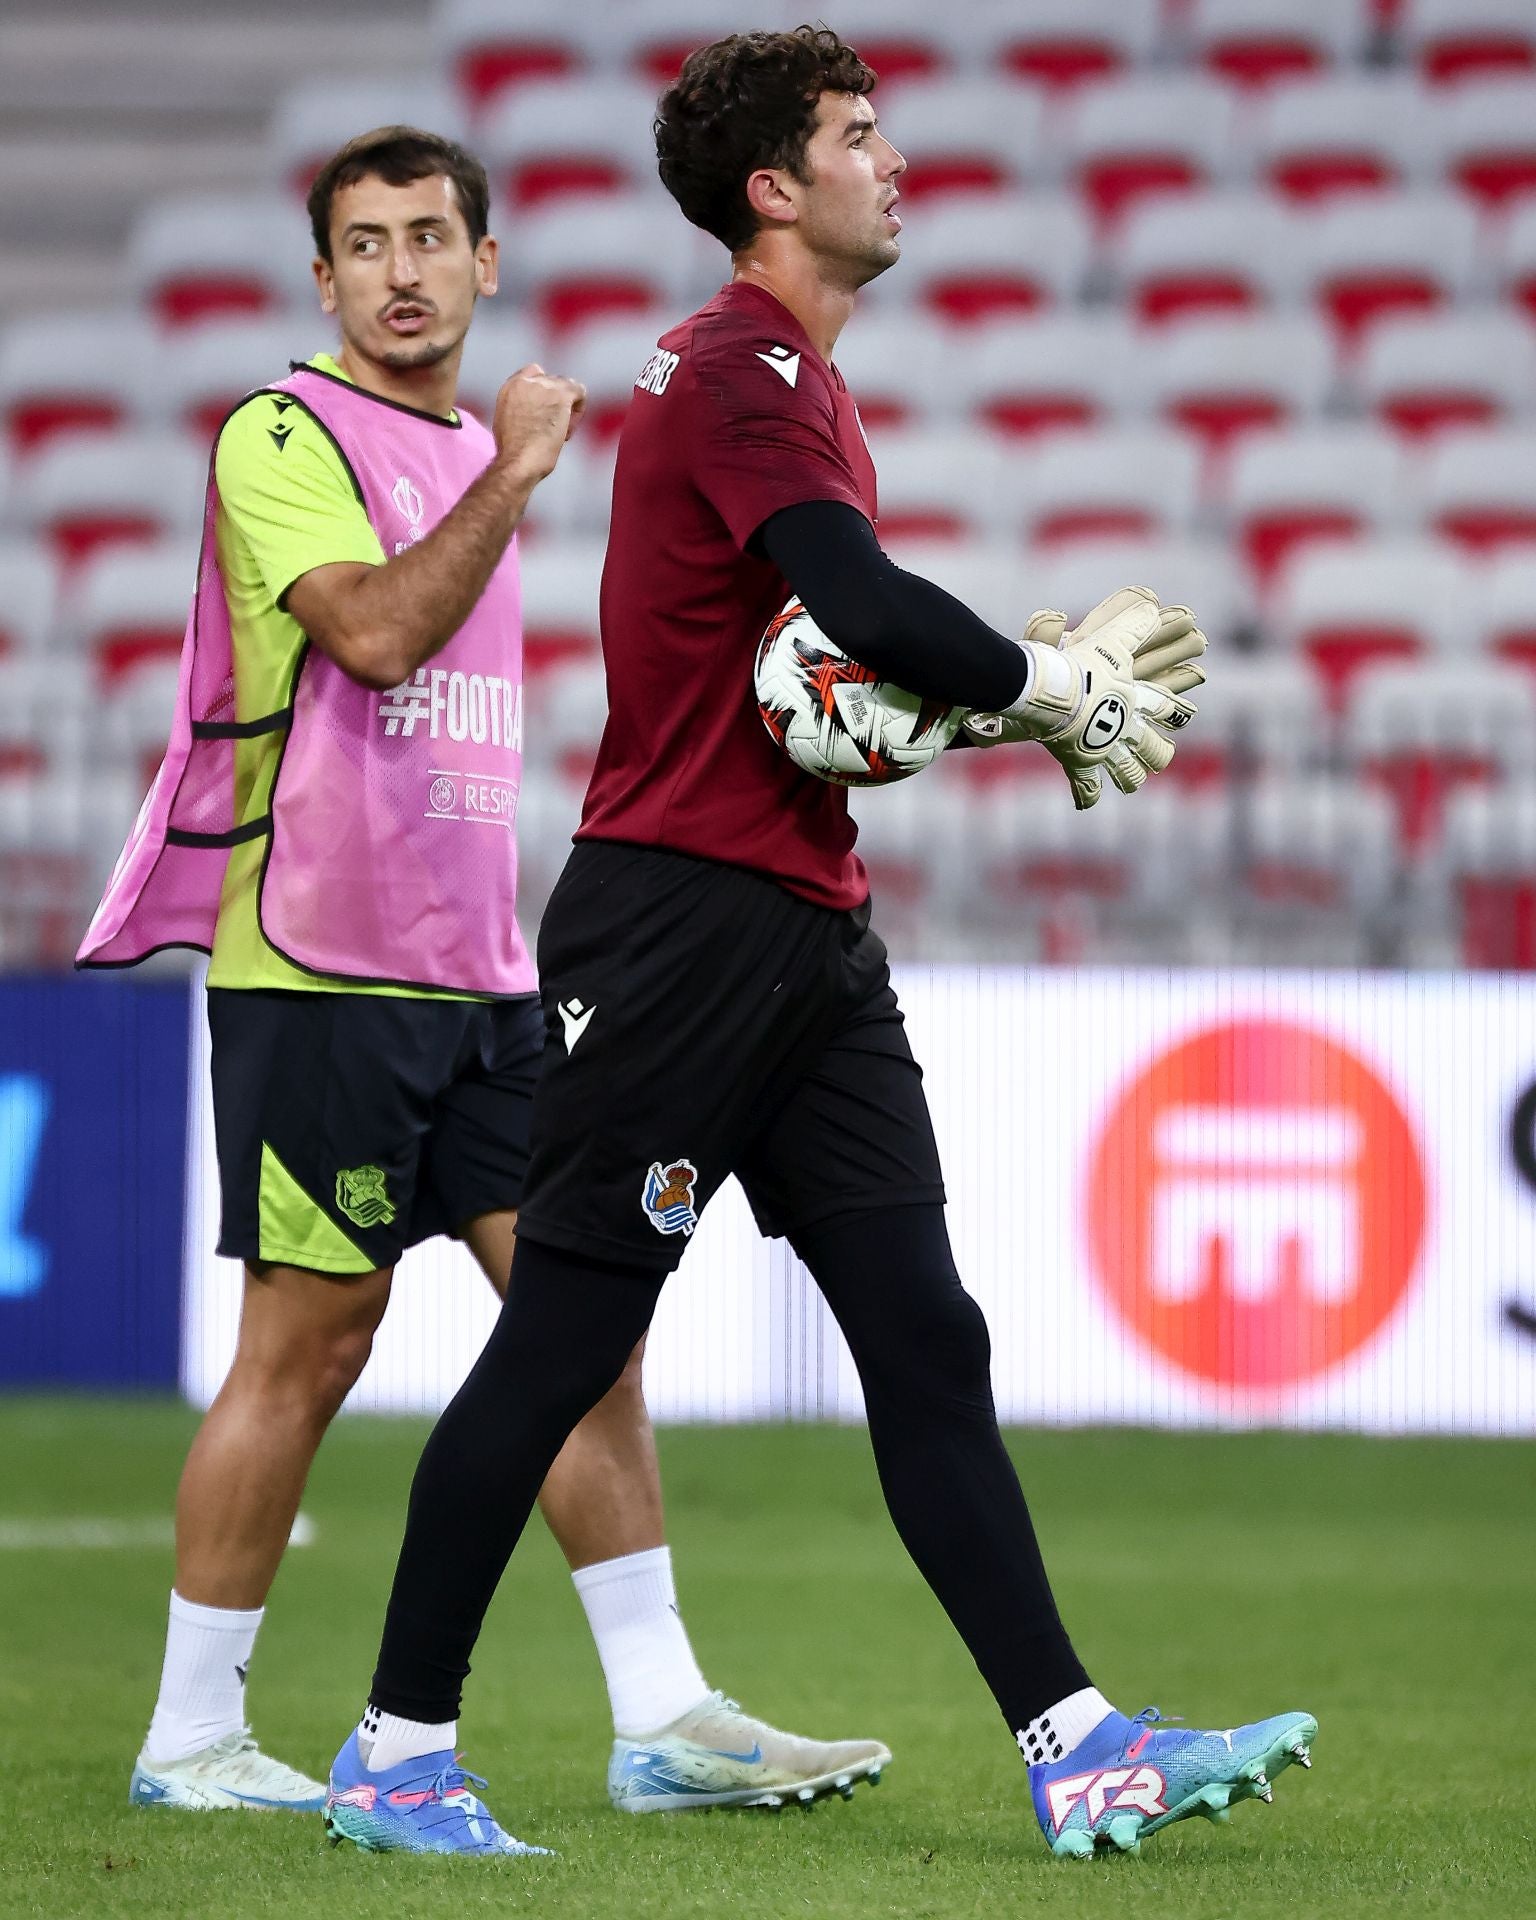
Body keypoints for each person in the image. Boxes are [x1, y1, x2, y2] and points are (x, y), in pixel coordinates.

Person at [320, 31, 1316, 1863]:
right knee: (562, 1347)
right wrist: (1047, 686)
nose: (894, 160)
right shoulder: (737, 372)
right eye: (861, 136)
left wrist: (972, 705)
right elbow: (855, 611)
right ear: (775, 188)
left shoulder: (790, 382)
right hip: (682, 922)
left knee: (928, 1335)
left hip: (806, 923)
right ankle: (394, 1750)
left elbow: (814, 686)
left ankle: (1080, 1743)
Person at [77, 123, 888, 1824]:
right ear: (324, 280)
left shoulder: (473, 437)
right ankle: (191, 1732)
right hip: (318, 965)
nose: (400, 271)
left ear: (485, 263)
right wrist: (513, 477)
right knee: (312, 1343)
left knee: (586, 1325)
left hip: (487, 970)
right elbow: (373, 632)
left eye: (431, 237)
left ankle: (663, 1714)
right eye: (364, 244)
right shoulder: (284, 434)